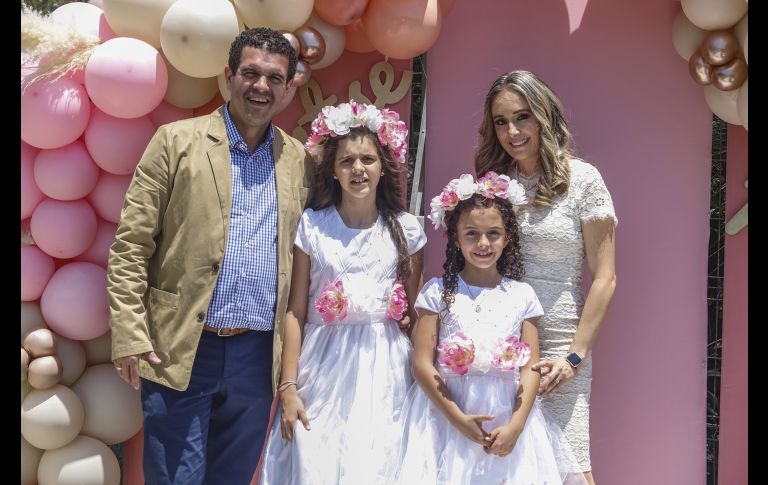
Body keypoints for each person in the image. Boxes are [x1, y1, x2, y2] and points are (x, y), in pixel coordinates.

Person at [106, 28, 312, 484]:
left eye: (274, 78)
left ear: (287, 87)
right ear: (228, 76)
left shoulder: (299, 160)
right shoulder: (175, 141)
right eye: (251, 73)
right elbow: (130, 246)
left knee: (234, 478)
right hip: (181, 347)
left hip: (258, 357)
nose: (262, 86)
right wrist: (129, 333)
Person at [259, 100, 427, 484]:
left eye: (368, 159)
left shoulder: (407, 231)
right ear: (332, 170)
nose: (358, 169)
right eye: (347, 161)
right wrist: (288, 386)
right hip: (321, 366)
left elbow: (411, 317)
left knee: (377, 465)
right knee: (314, 461)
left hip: (385, 370)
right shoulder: (314, 226)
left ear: (383, 166)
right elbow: (295, 311)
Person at [474, 70, 617, 484]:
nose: (512, 131)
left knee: (571, 469)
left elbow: (605, 278)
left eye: (522, 117)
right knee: (509, 465)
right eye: (501, 121)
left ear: (543, 116)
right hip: (501, 342)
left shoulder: (584, 181)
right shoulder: (493, 186)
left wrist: (575, 357)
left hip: (559, 346)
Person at [397, 172, 587, 484]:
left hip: (507, 416)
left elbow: (530, 368)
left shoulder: (522, 295)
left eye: (493, 234)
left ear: (507, 237)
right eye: (471, 233)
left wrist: (516, 425)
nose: (483, 243)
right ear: (455, 237)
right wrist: (458, 420)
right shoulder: (436, 292)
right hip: (447, 418)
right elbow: (420, 364)